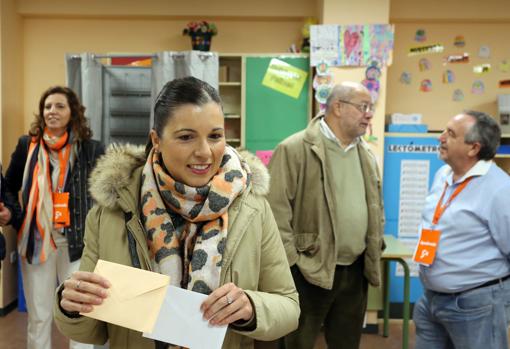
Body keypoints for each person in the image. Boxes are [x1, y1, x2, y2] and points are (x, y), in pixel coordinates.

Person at [54, 76, 299, 349]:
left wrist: (251, 307)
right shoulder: (111, 213)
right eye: (186, 137)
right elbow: (91, 332)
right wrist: (71, 306)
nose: (205, 152)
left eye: (215, 136)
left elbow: (288, 306)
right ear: (156, 140)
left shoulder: (253, 208)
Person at [267, 81, 385, 349]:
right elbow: (274, 211)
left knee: (347, 343)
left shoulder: (365, 153)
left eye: (371, 108)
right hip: (308, 271)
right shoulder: (295, 148)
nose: (369, 114)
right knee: (296, 343)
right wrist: (292, 264)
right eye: (363, 107)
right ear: (338, 107)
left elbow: (375, 207)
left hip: (355, 271)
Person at [4, 86, 104, 349]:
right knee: (39, 316)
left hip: (78, 245)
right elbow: (9, 186)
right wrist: (14, 214)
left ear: (73, 113)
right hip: (37, 241)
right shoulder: (28, 146)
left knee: (79, 314)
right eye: (47, 106)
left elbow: (107, 193)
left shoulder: (90, 149)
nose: (52, 111)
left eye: (60, 106)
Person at [413, 111, 510, 349]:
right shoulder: (443, 175)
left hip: (476, 305)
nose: (440, 138)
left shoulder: (500, 189)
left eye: (451, 134)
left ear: (473, 148)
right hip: (431, 299)